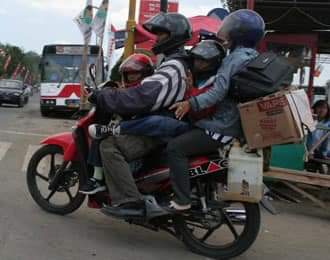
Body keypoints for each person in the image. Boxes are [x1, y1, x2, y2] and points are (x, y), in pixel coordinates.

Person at [166, 9, 265, 211]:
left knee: (174, 148)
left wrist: (189, 104)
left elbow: (217, 94)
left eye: (230, 30)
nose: (225, 33)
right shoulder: (253, 57)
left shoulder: (234, 60)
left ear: (238, 34)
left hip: (220, 128)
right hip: (237, 127)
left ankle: (182, 199)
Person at [98, 12, 192, 216]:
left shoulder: (173, 66)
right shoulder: (175, 63)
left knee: (109, 145)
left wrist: (106, 97)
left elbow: (142, 98)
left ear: (174, 36)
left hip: (159, 130)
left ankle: (129, 201)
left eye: (161, 35)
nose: (156, 39)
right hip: (162, 126)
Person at [89, 40, 226, 139]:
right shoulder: (191, 75)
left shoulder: (214, 82)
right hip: (184, 120)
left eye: (204, 61)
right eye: (197, 58)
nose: (199, 63)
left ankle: (113, 130)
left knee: (155, 122)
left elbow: (203, 108)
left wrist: (190, 95)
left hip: (195, 126)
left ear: (213, 63)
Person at [79, 53, 155, 194]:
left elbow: (125, 104)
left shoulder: (141, 91)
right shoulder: (142, 89)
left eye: (135, 74)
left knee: (102, 138)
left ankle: (98, 180)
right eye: (128, 74)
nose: (130, 77)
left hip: (138, 134)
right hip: (140, 130)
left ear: (145, 74)